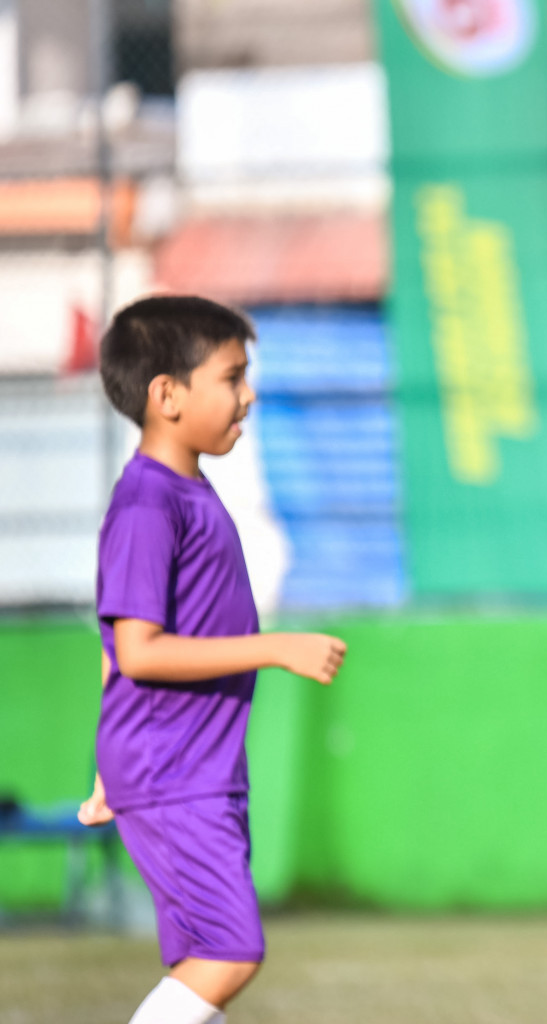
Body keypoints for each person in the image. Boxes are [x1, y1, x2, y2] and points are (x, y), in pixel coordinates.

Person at [76, 295, 348, 1024]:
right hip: (173, 771)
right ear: (167, 395)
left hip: (189, 767)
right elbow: (137, 649)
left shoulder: (188, 492)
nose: (248, 394)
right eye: (231, 378)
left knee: (210, 952)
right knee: (229, 951)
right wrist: (277, 648)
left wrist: (108, 766)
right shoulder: (146, 504)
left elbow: (114, 644)